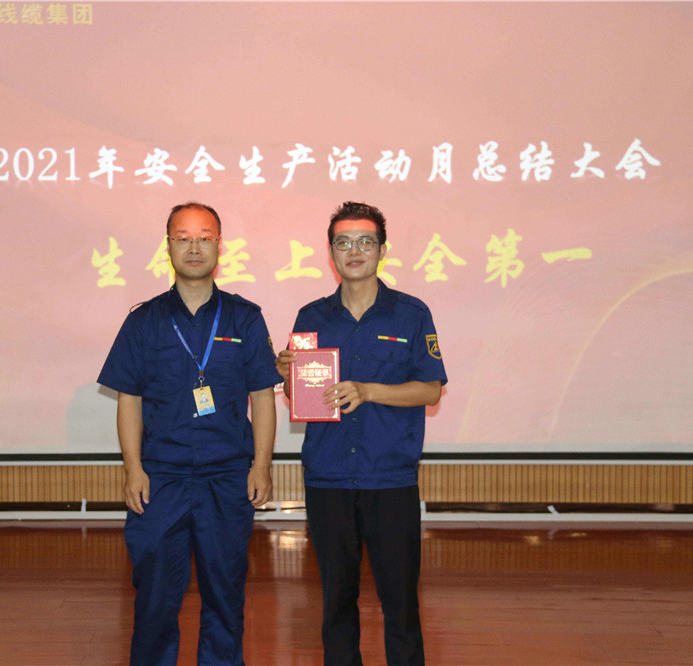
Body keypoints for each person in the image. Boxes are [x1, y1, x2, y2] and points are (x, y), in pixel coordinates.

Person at [97, 202, 279, 666]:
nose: (194, 247)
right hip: (161, 477)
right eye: (183, 238)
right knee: (155, 595)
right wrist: (133, 469)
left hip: (227, 476)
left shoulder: (244, 318)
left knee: (225, 592)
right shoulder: (144, 320)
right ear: (169, 246)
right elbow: (129, 399)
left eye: (204, 237)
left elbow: (262, 395)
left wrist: (261, 465)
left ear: (219, 245)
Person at [276, 201, 447, 666]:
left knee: (401, 604)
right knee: (335, 605)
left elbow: (430, 390)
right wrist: (287, 375)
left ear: (382, 250)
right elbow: (301, 397)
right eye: (343, 242)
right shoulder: (312, 316)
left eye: (365, 241)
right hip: (328, 477)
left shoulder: (411, 314)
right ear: (331, 252)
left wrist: (368, 391)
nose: (354, 251)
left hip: (389, 479)